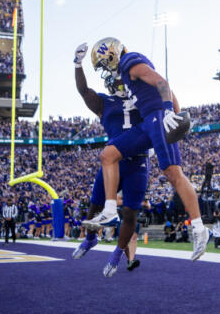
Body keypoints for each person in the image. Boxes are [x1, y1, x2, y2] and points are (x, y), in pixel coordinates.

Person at [84, 38, 211, 262]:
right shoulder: (125, 71)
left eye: (104, 63)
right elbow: (165, 88)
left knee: (173, 173)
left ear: (112, 56)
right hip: (147, 122)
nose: (105, 70)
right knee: (108, 154)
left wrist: (171, 112)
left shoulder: (129, 62)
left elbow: (162, 83)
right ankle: (110, 208)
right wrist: (177, 114)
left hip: (158, 118)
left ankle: (200, 229)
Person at [71, 43, 149, 278]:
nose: (119, 81)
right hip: (113, 163)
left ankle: (117, 256)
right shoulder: (104, 102)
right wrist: (77, 64)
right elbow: (84, 91)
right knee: (95, 206)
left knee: (130, 214)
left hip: (138, 162)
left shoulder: (141, 99)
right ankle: (91, 238)